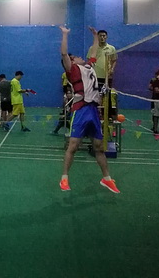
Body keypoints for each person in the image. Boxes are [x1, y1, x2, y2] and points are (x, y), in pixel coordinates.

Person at [59, 25, 120, 193]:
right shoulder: (72, 70)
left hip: (93, 110)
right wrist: (65, 34)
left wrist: (94, 36)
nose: (80, 57)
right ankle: (64, 178)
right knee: (73, 146)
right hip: (81, 110)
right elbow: (64, 53)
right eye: (76, 57)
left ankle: (106, 179)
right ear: (72, 61)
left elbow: (94, 51)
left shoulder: (88, 66)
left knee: (99, 147)